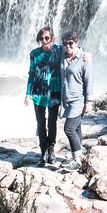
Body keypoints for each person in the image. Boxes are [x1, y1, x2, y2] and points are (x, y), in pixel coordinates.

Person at [24, 26, 63, 166]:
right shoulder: (34, 54)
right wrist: (27, 94)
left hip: (54, 91)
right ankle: (43, 152)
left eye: (46, 37)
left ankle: (51, 150)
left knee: (52, 123)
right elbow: (32, 74)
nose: (44, 41)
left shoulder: (59, 50)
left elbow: (74, 48)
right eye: (41, 38)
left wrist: (85, 55)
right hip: (38, 92)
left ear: (52, 37)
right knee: (41, 124)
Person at [60, 30, 93, 171]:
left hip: (78, 101)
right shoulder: (62, 55)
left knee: (69, 129)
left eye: (70, 43)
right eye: (65, 43)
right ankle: (80, 153)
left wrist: (89, 101)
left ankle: (76, 160)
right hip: (67, 100)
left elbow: (89, 81)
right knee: (77, 127)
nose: (68, 46)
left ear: (77, 43)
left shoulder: (84, 59)